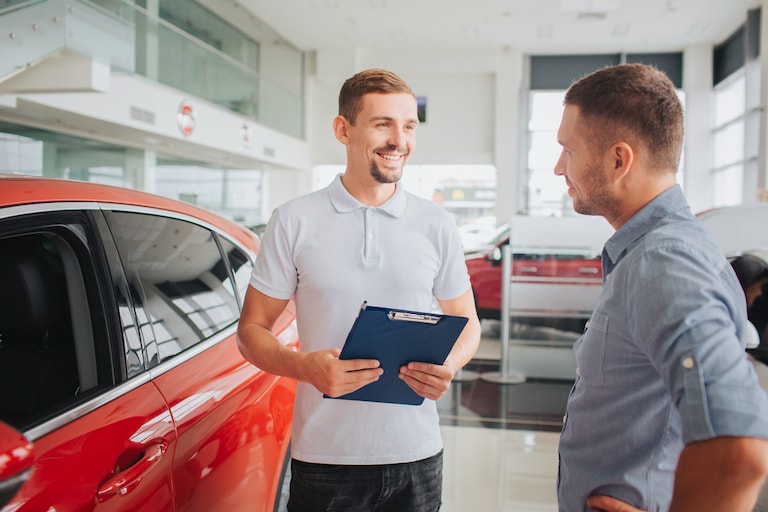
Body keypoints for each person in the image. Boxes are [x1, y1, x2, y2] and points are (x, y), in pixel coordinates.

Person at [236, 68, 481, 511]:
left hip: (417, 455)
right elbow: (251, 332)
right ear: (343, 129)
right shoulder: (294, 220)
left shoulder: (436, 224)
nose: (399, 140)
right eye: (383, 123)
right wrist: (303, 367)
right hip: (325, 459)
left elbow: (468, 327)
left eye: (409, 126)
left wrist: (450, 363)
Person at [553, 63, 768, 512]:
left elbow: (740, 450)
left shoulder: (662, 261)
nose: (559, 168)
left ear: (618, 159)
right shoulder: (657, 251)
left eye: (567, 151)